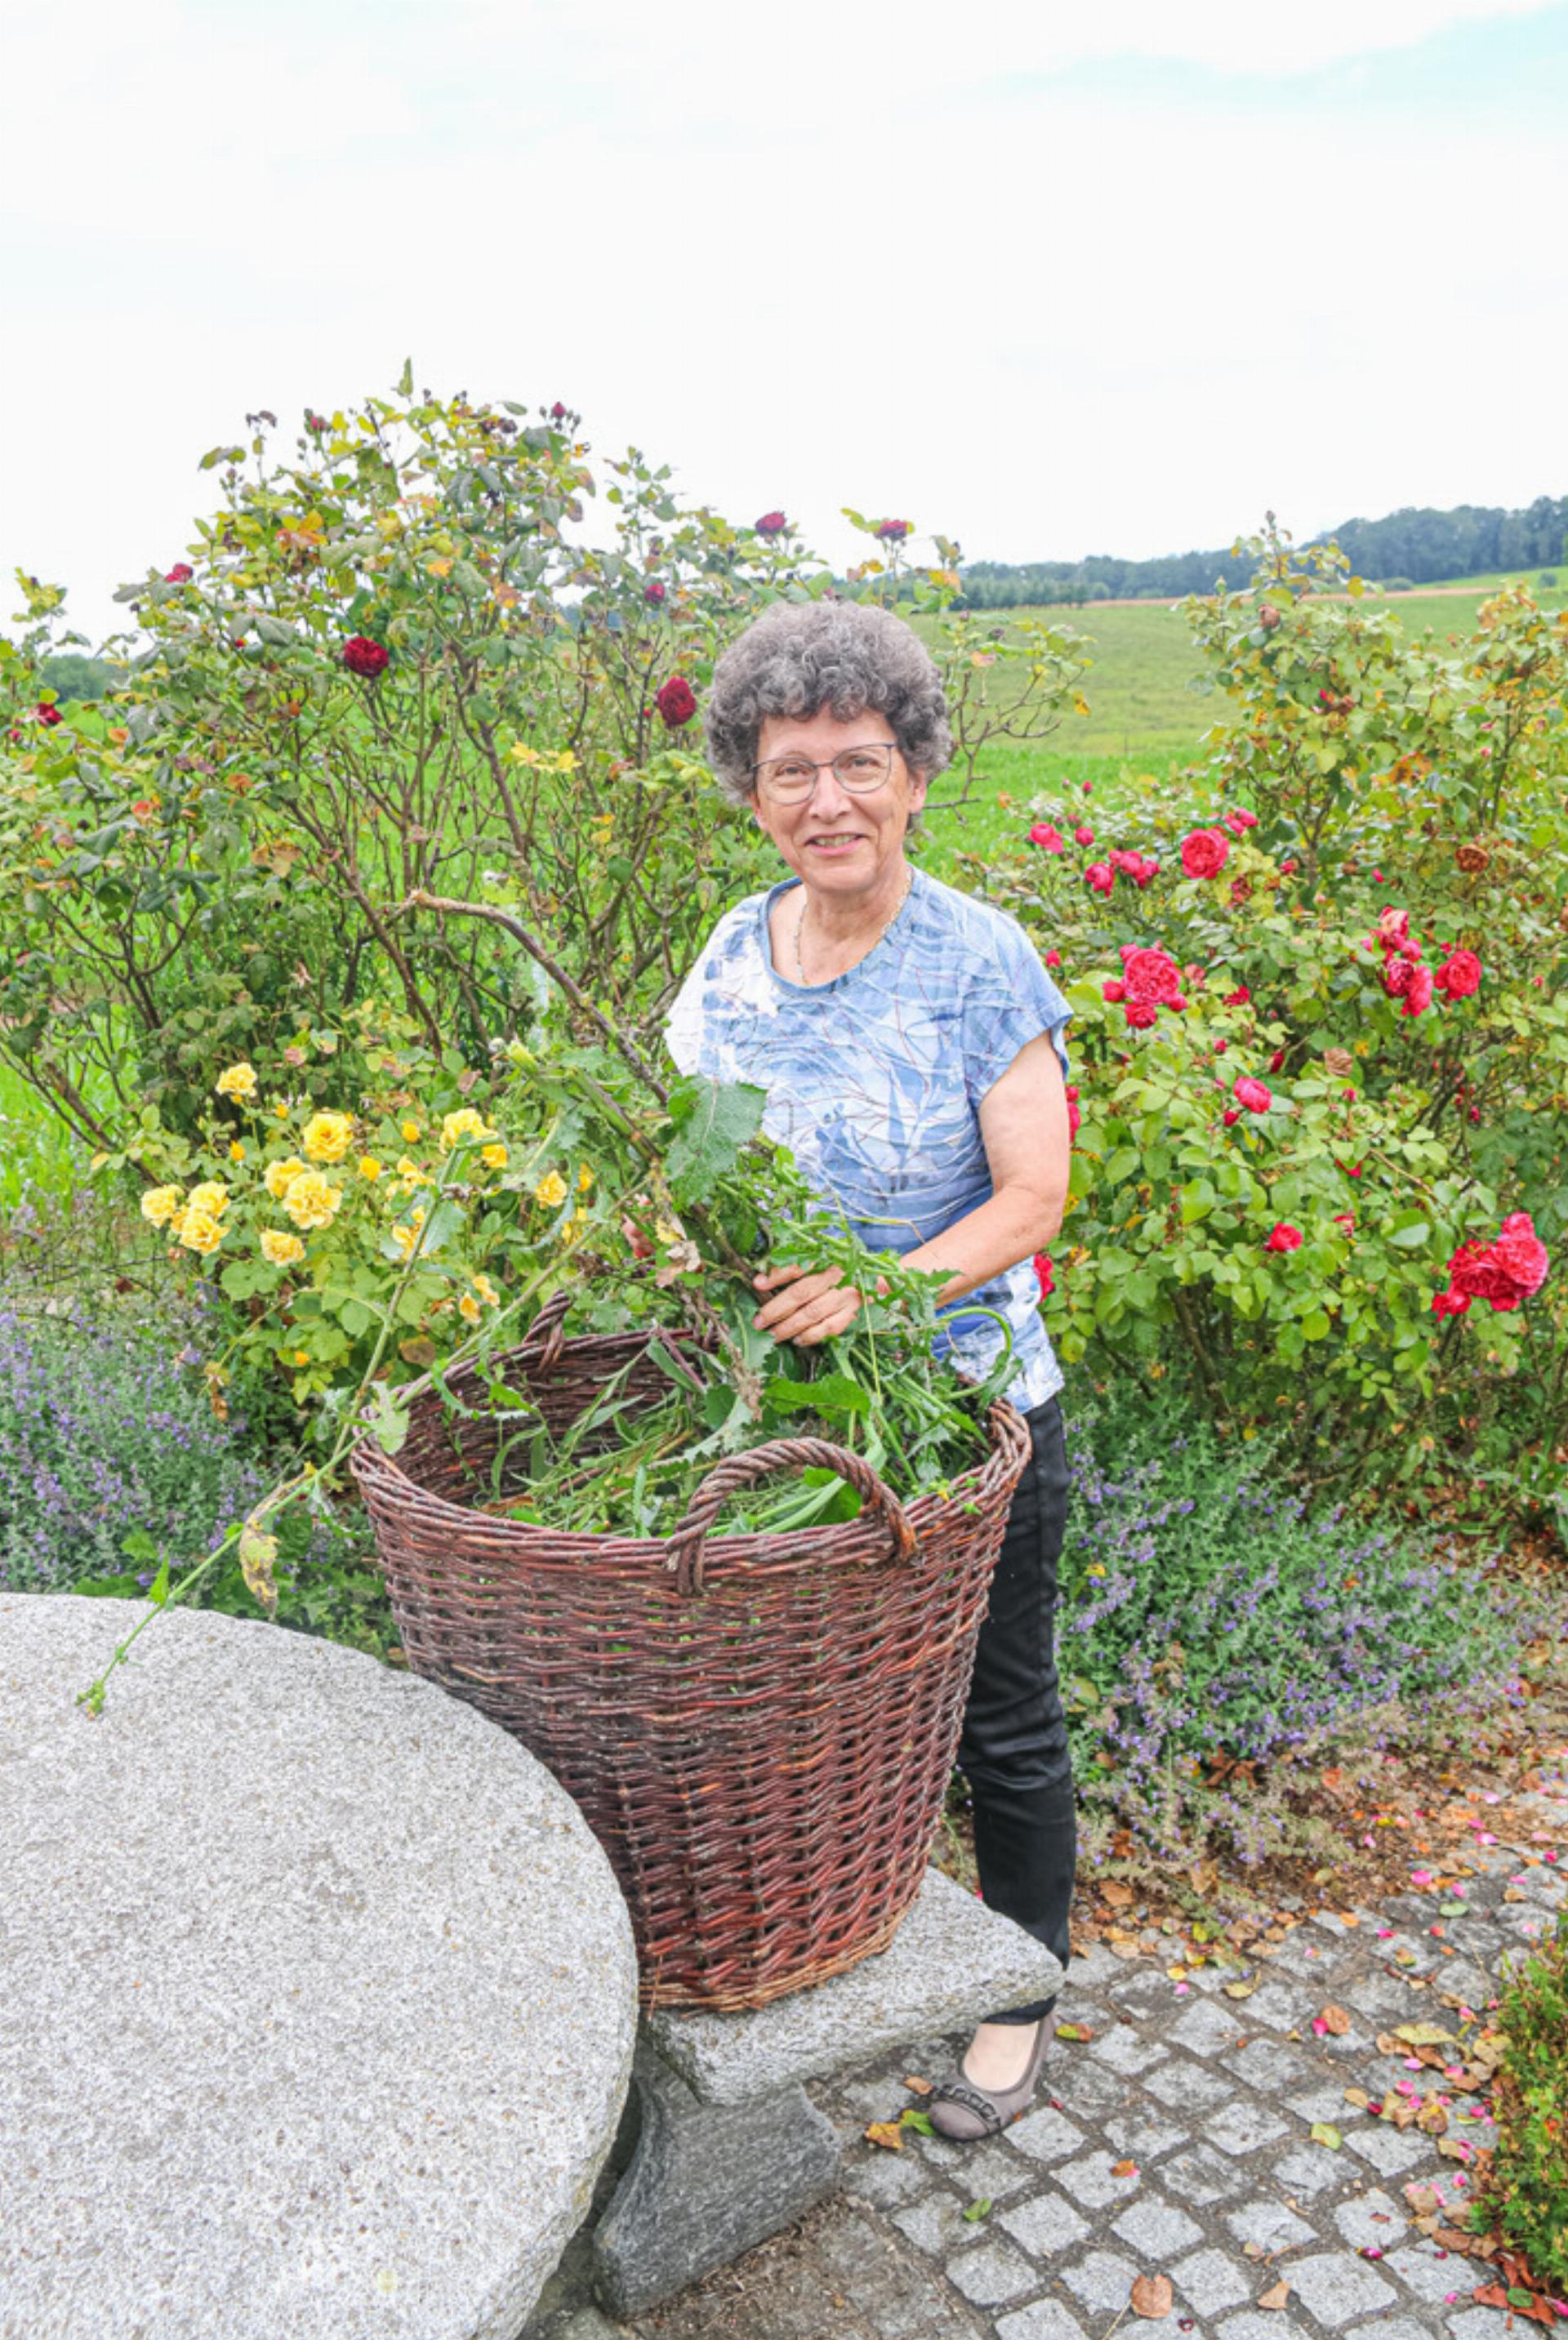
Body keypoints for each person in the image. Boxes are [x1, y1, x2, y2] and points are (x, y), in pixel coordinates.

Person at [666, 599, 1075, 2140]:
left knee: (1000, 1717)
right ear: (751, 789)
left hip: (966, 1415)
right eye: (790, 770)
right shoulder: (731, 951)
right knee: (829, 1710)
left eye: (858, 762)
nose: (825, 799)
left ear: (913, 775)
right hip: (796, 1424)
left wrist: (877, 1296)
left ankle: (1016, 1999)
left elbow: (1032, 1200)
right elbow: (696, 1153)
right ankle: (850, 1945)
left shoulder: (979, 959)